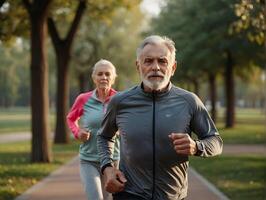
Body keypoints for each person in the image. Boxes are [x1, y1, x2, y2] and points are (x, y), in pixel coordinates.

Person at [97, 35, 223, 200]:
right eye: (148, 61)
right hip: (129, 193)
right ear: (138, 66)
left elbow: (215, 141)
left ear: (173, 67)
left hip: (173, 196)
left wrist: (196, 146)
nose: (155, 67)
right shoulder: (120, 102)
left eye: (162, 61)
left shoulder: (189, 101)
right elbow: (104, 136)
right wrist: (107, 168)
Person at [67, 59, 120, 200]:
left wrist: (122, 129)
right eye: (100, 74)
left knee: (109, 197)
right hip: (89, 160)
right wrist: (78, 132)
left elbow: (130, 123)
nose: (104, 77)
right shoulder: (83, 99)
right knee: (95, 197)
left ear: (113, 78)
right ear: (94, 78)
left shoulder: (120, 100)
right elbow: (70, 118)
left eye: (107, 74)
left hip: (112, 160)